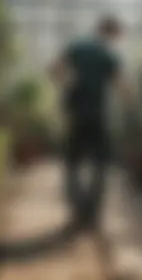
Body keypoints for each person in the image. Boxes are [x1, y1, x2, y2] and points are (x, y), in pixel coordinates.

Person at [49, 15, 132, 231]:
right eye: (117, 35)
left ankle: (77, 210)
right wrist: (131, 103)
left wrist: (68, 86)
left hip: (76, 112)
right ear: (111, 32)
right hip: (98, 115)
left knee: (73, 163)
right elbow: (121, 85)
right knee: (101, 164)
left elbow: (54, 69)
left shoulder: (77, 46)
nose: (117, 40)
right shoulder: (108, 54)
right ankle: (91, 214)